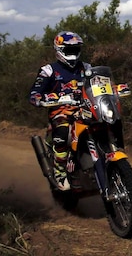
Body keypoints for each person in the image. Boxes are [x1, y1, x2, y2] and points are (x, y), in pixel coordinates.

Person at [29, 31, 88, 191]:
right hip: (61, 112)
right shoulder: (48, 70)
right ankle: (60, 172)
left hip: (86, 109)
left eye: (75, 49)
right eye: (69, 50)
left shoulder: (86, 68)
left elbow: (100, 83)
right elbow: (34, 93)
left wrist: (113, 88)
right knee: (62, 134)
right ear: (59, 50)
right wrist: (40, 98)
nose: (73, 53)